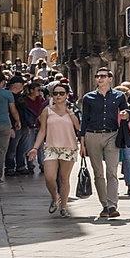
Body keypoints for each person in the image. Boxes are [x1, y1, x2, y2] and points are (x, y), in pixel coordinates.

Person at [79, 67, 130, 219]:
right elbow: (84, 120)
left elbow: (126, 112)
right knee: (98, 173)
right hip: (92, 135)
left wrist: (125, 115)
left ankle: (113, 204)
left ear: (110, 78)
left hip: (112, 135)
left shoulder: (120, 96)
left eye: (103, 76)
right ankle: (104, 205)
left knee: (112, 171)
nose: (99, 78)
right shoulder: (88, 98)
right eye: (97, 76)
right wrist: (82, 142)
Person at [32, 83, 81, 215]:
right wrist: (35, 148)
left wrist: (70, 112)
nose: (58, 96)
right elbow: (42, 131)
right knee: (49, 177)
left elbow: (78, 127)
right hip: (51, 147)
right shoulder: (46, 111)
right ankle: (55, 197)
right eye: (55, 93)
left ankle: (64, 206)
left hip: (69, 147)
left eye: (61, 93)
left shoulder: (73, 110)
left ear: (66, 95)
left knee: (64, 178)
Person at [6, 76, 34, 176]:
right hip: (15, 126)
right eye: (22, 84)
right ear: (16, 85)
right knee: (12, 148)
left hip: (24, 125)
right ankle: (10, 167)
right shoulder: (8, 95)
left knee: (22, 148)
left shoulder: (20, 96)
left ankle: (20, 166)